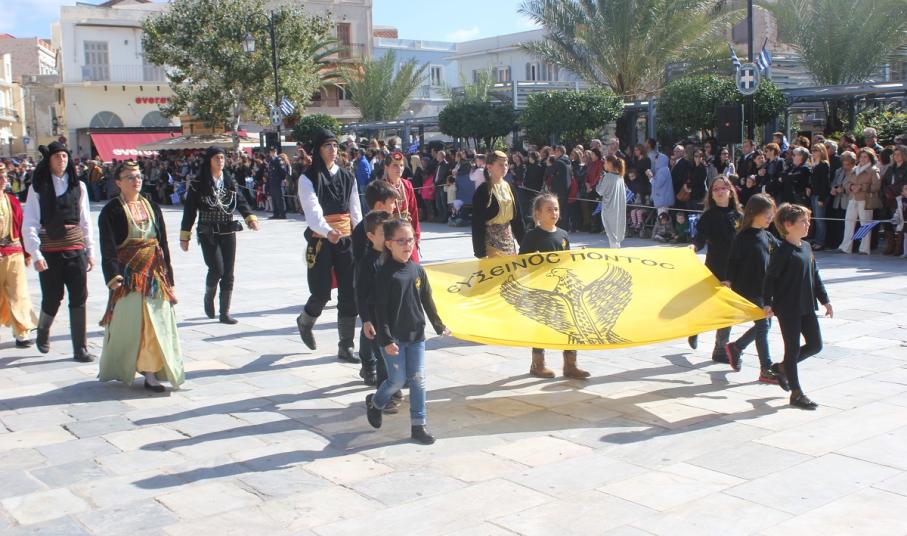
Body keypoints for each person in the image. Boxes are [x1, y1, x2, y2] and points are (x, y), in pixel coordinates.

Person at [97, 161, 183, 392]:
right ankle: (127, 365)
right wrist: (112, 275)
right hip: (128, 275)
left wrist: (169, 276)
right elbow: (107, 246)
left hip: (154, 272)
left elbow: (163, 243)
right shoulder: (111, 210)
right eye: (130, 177)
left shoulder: (152, 206)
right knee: (132, 323)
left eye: (138, 177)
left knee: (156, 322)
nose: (136, 181)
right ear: (118, 182)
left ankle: (151, 372)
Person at [365, 219, 450, 445]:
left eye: (410, 240)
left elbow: (427, 300)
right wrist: (386, 339)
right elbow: (379, 310)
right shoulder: (384, 274)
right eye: (401, 241)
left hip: (416, 335)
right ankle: (375, 402)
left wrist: (439, 325)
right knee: (396, 380)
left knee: (418, 380)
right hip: (393, 338)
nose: (407, 245)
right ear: (389, 244)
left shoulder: (418, 270)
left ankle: (418, 426)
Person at [23, 142, 96, 362]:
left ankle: (80, 348)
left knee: (79, 296)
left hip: (75, 249)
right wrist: (36, 254)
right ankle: (43, 329)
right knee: (52, 297)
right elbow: (30, 223)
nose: (61, 160)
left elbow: (85, 221)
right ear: (49, 160)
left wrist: (90, 250)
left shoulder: (79, 186)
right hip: (50, 251)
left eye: (64, 156)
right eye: (57, 156)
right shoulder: (37, 187)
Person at [295, 128, 362, 362]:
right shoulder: (308, 178)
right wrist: (327, 231)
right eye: (327, 145)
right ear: (318, 149)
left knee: (349, 292)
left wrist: (361, 235)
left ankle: (346, 345)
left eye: (335, 145)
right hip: (321, 240)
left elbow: (355, 210)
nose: (333, 149)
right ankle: (305, 321)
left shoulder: (348, 176)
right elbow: (312, 211)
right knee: (321, 292)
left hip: (345, 240)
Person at [763, 203, 833, 410]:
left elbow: (815, 275)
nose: (808, 224)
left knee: (815, 345)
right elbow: (770, 279)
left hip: (807, 305)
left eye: (808, 220)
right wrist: (767, 303)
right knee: (792, 349)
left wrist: (825, 299)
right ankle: (796, 393)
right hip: (788, 307)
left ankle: (780, 368)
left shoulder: (807, 247)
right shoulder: (782, 251)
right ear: (788, 225)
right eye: (803, 221)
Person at [180, 147, 259, 324]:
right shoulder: (198, 183)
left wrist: (249, 218)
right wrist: (185, 236)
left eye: (222, 158)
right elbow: (190, 210)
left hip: (228, 229)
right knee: (216, 269)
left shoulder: (229, 180)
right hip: (207, 231)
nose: (220, 161)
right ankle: (209, 296)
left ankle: (225, 312)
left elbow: (240, 200)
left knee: (228, 272)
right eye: (217, 158)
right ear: (209, 160)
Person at [519, 193, 590, 379]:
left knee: (570, 325)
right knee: (541, 326)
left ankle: (570, 364)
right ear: (538, 214)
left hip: (562, 290)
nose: (554, 213)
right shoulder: (532, 236)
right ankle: (538, 364)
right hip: (541, 290)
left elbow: (566, 260)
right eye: (549, 209)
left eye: (556, 209)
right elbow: (521, 262)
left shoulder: (563, 235)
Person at [724, 194, 782, 384]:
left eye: (772, 214)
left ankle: (737, 347)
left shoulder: (767, 235)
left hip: (763, 289)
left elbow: (782, 250)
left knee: (765, 325)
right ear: (754, 213)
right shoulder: (742, 237)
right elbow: (732, 261)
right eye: (767, 214)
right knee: (763, 325)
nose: (770, 218)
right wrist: (728, 281)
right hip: (747, 288)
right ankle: (766, 368)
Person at [690, 176, 743, 358]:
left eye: (723, 188)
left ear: (730, 191)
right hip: (714, 267)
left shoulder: (739, 216)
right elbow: (700, 238)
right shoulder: (708, 216)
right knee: (707, 305)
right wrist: (693, 247)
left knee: (727, 309)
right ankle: (694, 328)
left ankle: (720, 349)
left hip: (734, 270)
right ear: (711, 194)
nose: (720, 192)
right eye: (716, 189)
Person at [351, 181, 398, 385]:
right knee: (369, 328)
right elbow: (360, 260)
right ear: (379, 205)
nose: (394, 207)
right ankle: (369, 366)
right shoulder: (363, 230)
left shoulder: (389, 226)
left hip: (385, 290)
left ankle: (387, 372)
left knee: (380, 328)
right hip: (369, 288)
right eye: (391, 203)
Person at [0, 163, 37, 347]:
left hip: (13, 252)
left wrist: (27, 252)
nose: (3, 180)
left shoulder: (12, 200)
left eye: (4, 176)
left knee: (19, 293)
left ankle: (22, 333)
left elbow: (22, 225)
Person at [355, 210, 393, 391]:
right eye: (384, 233)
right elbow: (360, 294)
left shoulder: (394, 256)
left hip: (393, 316)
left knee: (393, 354)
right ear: (371, 236)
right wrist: (366, 320)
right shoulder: (367, 262)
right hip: (375, 318)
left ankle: (394, 383)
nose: (388, 236)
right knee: (383, 357)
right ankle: (383, 395)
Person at [472, 151, 525, 258]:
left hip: (509, 243)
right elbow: (477, 223)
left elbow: (517, 219)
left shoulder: (510, 187)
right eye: (500, 165)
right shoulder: (483, 190)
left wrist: (525, 245)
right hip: (491, 245)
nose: (504, 167)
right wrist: (480, 253)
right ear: (489, 167)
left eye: (506, 164)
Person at [837, 148, 881, 255]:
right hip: (853, 198)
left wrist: (862, 187)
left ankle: (864, 249)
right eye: (861, 156)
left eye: (865, 157)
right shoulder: (854, 169)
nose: (862, 159)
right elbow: (845, 183)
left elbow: (876, 186)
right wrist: (851, 187)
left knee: (865, 224)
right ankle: (845, 247)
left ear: (870, 158)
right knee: (849, 223)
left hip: (866, 200)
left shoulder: (873, 170)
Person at [383, 151, 421, 262]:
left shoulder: (407, 184)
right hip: (390, 235)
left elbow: (413, 211)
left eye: (401, 165)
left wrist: (416, 235)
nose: (399, 168)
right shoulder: (381, 186)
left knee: (414, 263)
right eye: (395, 165)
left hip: (407, 232)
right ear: (386, 167)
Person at [596, 155, 627, 248]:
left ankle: (615, 252)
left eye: (605, 163)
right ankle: (616, 250)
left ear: (610, 163)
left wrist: (600, 179)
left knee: (611, 234)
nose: (604, 165)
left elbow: (600, 191)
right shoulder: (620, 176)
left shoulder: (608, 176)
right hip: (618, 208)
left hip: (609, 208)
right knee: (616, 232)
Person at [266, 146, 287, 219]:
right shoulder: (271, 160)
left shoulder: (278, 160)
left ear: (276, 152)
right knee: (274, 198)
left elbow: (283, 171)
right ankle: (276, 214)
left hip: (278, 182)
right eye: (271, 152)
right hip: (272, 182)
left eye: (273, 152)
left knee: (279, 199)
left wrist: (282, 179)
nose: (272, 153)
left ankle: (282, 214)